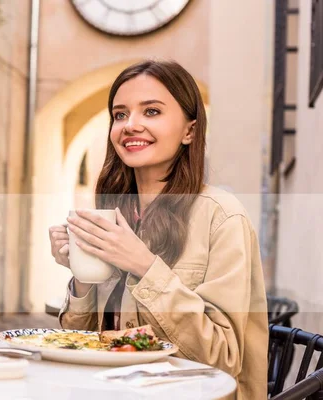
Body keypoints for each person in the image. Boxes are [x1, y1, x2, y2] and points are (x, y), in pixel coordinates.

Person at [48, 59, 268, 399]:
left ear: (189, 131)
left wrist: (145, 267)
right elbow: (86, 340)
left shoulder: (223, 217)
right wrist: (80, 272)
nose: (130, 125)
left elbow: (223, 358)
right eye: (120, 115)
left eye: (151, 112)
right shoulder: (118, 213)